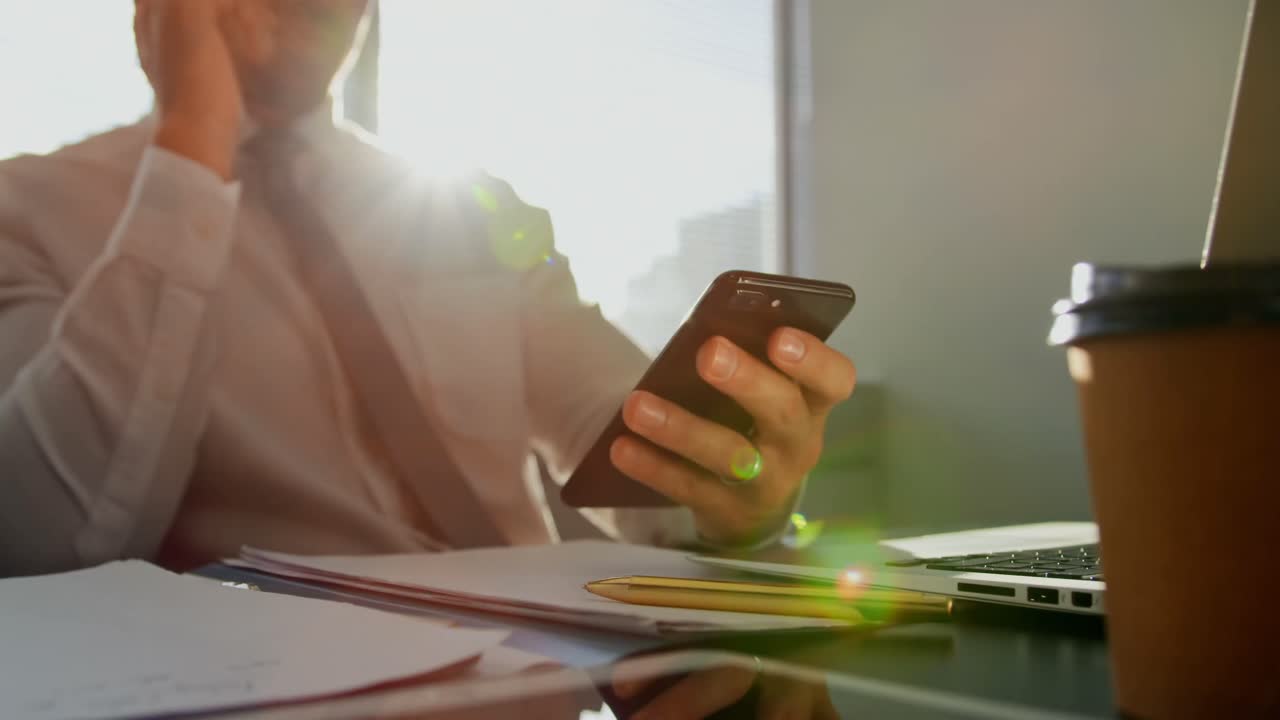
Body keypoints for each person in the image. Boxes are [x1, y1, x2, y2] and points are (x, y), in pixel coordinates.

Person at [0, 0, 856, 576]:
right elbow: (45, 543)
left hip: (550, 679)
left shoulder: (467, 206)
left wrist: (734, 499)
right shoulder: (24, 208)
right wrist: (193, 140)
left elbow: (624, 436)